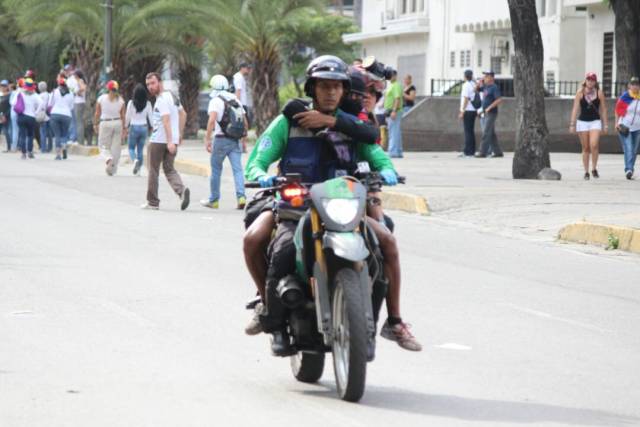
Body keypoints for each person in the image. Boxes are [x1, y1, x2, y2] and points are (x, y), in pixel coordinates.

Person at [243, 56, 421, 354]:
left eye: (337, 87)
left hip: (343, 207)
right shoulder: (289, 121)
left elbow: (375, 153)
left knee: (386, 242)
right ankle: (271, 315)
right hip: (296, 206)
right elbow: (258, 160)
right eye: (324, 86)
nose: (330, 93)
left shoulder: (352, 123)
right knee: (268, 244)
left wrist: (387, 170)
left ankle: (393, 321)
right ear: (312, 89)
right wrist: (260, 176)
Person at [143, 72, 190, 210]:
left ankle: (153, 202)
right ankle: (181, 191)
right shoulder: (172, 96)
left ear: (160, 82)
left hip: (158, 140)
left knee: (153, 170)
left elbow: (166, 120)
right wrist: (178, 135)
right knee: (169, 169)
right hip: (172, 139)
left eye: (153, 83)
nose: (150, 87)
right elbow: (183, 114)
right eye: (148, 85)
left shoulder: (162, 99)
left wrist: (170, 141)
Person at [200, 74, 247, 210]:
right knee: (237, 170)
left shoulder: (215, 100)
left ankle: (214, 200)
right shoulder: (235, 100)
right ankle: (241, 197)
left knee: (216, 170)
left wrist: (207, 139)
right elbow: (245, 122)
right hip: (235, 140)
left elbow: (211, 121)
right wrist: (243, 141)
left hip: (220, 139)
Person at [569, 73, 609, 180]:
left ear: (595, 82)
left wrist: (605, 124)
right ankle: (586, 171)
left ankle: (594, 168)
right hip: (582, 122)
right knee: (585, 147)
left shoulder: (599, 93)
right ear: (585, 81)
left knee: (594, 144)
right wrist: (572, 124)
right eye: (588, 80)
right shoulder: (580, 93)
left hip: (595, 121)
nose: (590, 82)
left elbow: (604, 109)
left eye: (592, 80)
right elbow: (575, 108)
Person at [95, 80, 125, 175]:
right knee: (116, 147)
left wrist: (95, 124)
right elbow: (123, 116)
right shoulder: (121, 100)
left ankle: (108, 159)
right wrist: (124, 128)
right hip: (117, 123)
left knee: (103, 146)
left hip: (105, 123)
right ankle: (113, 168)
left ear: (108, 89)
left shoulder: (101, 99)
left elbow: (97, 113)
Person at [614, 76, 640, 180]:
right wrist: (616, 123)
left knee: (634, 150)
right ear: (629, 85)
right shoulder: (625, 96)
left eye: (637, 84)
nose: (635, 86)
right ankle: (628, 169)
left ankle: (630, 168)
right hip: (624, 126)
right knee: (628, 147)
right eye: (633, 84)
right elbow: (617, 110)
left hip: (637, 127)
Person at [125, 83, 152, 176]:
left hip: (133, 127)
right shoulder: (148, 104)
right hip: (144, 127)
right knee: (140, 150)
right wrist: (152, 127)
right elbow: (151, 118)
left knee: (131, 148)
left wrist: (125, 126)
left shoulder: (131, 103)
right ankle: (139, 171)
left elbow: (127, 117)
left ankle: (135, 160)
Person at [475, 71, 504, 158]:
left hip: (491, 113)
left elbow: (499, 100)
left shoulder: (494, 87)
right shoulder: (485, 87)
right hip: (484, 112)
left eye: (487, 76)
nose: (485, 78)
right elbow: (475, 90)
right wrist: (479, 83)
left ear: (492, 78)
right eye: (484, 76)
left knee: (486, 132)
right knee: (491, 133)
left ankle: (482, 152)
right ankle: (498, 152)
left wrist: (489, 107)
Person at [14, 78, 43, 159]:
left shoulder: (20, 93)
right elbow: (41, 103)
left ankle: (23, 153)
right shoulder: (35, 95)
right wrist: (36, 112)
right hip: (31, 117)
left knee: (22, 135)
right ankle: (30, 152)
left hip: (21, 116)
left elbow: (13, 103)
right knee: (30, 135)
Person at [49, 76, 75, 160]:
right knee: (64, 134)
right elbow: (71, 106)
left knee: (57, 135)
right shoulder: (70, 93)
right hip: (66, 115)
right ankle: (64, 148)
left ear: (59, 84)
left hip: (55, 114)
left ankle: (58, 154)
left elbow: (50, 103)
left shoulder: (54, 92)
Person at [459, 69, 478, 157]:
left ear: (465, 76)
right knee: (471, 131)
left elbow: (466, 99)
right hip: (473, 110)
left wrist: (462, 111)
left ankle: (468, 151)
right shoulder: (473, 84)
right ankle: (472, 150)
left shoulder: (466, 85)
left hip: (468, 110)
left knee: (467, 131)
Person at [233, 63, 253, 153]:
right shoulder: (238, 77)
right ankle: (242, 146)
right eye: (248, 68)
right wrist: (237, 105)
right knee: (244, 124)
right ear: (242, 68)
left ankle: (243, 145)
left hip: (242, 104)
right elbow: (238, 91)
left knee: (243, 125)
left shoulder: (240, 77)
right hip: (240, 104)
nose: (249, 70)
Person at [384, 69, 404, 158]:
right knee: (395, 131)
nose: (390, 77)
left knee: (393, 132)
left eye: (391, 75)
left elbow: (397, 98)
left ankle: (393, 151)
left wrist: (394, 111)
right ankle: (398, 151)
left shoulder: (396, 85)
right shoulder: (391, 85)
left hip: (394, 110)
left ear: (395, 76)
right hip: (390, 110)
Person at [72, 70, 87, 145]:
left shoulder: (79, 81)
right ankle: (80, 140)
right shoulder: (80, 81)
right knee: (79, 122)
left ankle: (80, 141)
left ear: (77, 75)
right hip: (80, 102)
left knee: (79, 122)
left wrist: (77, 92)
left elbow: (83, 88)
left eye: (74, 75)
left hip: (78, 103)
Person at [37, 81, 53, 153]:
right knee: (49, 132)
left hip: (42, 115)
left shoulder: (39, 96)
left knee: (42, 132)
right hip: (49, 115)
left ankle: (43, 148)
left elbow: (40, 106)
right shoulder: (50, 94)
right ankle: (50, 147)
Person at [0, 80, 10, 152]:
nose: (2, 87)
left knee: (7, 132)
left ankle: (9, 147)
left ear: (7, 87)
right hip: (0, 116)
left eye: (4, 86)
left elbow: (10, 107)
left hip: (6, 117)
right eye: (1, 86)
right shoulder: (0, 95)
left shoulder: (9, 95)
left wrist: (5, 115)